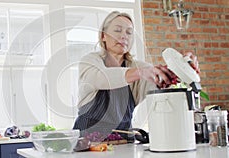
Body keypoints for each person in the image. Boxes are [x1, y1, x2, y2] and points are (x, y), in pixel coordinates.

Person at [72, 11, 200, 140]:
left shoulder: (139, 66)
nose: (124, 36)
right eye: (117, 30)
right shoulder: (90, 61)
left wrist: (181, 66)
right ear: (103, 36)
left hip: (122, 142)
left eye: (129, 32)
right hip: (86, 141)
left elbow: (159, 80)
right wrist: (140, 72)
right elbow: (101, 78)